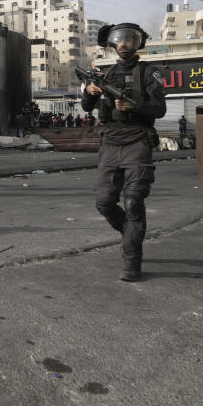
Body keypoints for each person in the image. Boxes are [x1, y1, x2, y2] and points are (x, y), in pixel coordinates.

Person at [81, 23, 166, 282]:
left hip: (137, 141)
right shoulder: (106, 75)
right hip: (110, 142)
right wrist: (89, 91)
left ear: (137, 43)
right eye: (118, 40)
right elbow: (86, 107)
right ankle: (130, 234)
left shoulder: (149, 73)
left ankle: (132, 259)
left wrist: (135, 105)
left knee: (133, 204)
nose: (123, 45)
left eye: (128, 40)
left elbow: (159, 109)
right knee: (105, 202)